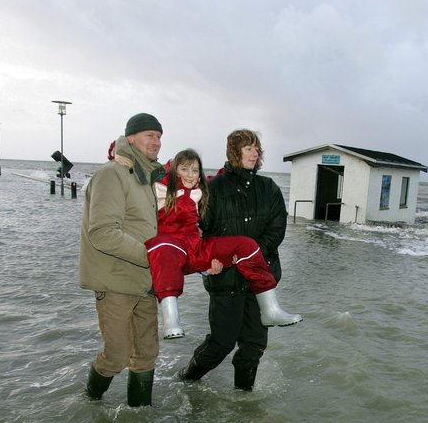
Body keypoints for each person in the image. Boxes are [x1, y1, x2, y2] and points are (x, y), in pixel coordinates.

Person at [178, 129, 298, 391]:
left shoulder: (269, 188)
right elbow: (200, 232)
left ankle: (243, 401)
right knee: (221, 343)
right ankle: (185, 381)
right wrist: (209, 262)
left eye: (257, 149)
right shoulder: (213, 188)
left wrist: (250, 254)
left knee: (254, 345)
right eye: (248, 148)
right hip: (225, 279)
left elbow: (277, 229)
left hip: (259, 282)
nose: (255, 153)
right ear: (234, 152)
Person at [145, 148, 302, 340]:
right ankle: (171, 320)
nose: (190, 175)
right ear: (175, 169)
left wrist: (236, 165)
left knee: (247, 245)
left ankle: (270, 310)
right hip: (171, 251)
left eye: (195, 170)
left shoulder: (200, 190)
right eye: (184, 169)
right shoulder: (160, 187)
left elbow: (222, 179)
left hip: (196, 250)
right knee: (162, 246)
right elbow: (139, 178)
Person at [78, 113, 165, 407]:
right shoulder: (112, 174)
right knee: (116, 356)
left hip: (145, 283)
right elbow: (102, 232)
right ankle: (89, 403)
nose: (156, 141)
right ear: (130, 139)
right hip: (115, 280)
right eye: (149, 135)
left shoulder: (146, 178)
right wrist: (152, 258)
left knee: (147, 355)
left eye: (159, 136)